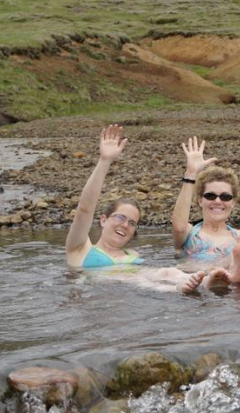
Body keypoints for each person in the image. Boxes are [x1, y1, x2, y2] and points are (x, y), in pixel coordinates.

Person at [65, 125, 230, 293]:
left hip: (128, 288)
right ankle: (178, 289)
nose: (124, 225)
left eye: (131, 223)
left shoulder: (132, 256)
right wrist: (104, 161)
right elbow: (84, 209)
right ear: (103, 219)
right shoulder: (80, 248)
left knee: (168, 272)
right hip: (101, 288)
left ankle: (205, 280)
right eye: (120, 217)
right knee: (139, 281)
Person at [172, 137, 240, 263]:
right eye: (210, 196)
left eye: (225, 197)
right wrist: (191, 173)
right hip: (192, 279)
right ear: (200, 200)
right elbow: (178, 228)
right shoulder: (188, 233)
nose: (218, 201)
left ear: (233, 202)